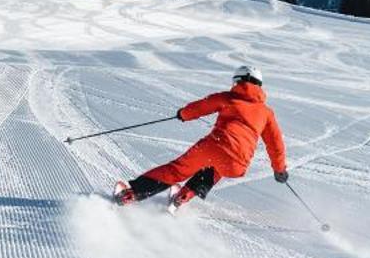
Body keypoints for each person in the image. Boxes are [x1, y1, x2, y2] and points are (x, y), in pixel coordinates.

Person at [115, 64, 287, 209]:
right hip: (239, 164)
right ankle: (185, 195)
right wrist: (279, 170)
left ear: (239, 81)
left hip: (214, 145)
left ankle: (131, 194)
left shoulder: (228, 98)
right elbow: (276, 143)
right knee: (217, 168)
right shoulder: (267, 113)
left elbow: (202, 106)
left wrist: (183, 114)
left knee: (177, 170)